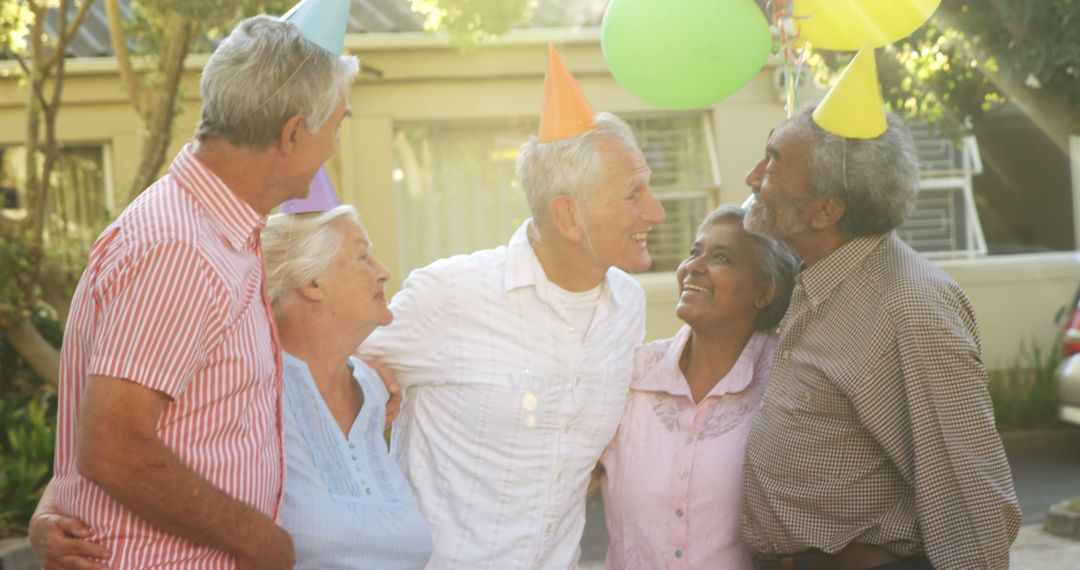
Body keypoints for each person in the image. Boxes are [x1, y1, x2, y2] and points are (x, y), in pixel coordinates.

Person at [29, 11, 359, 569]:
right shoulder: (180, 248)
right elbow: (112, 446)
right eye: (337, 125)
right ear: (293, 132)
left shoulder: (214, 231)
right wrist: (257, 537)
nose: (334, 145)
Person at [358, 46, 666, 568]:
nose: (655, 212)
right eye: (633, 194)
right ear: (568, 216)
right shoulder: (449, 294)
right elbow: (318, 390)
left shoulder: (627, 306)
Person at [739, 107, 1021, 570]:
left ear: (826, 210)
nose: (752, 177)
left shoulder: (910, 305)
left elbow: (973, 499)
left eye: (771, 165)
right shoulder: (817, 277)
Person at [597, 205, 797, 570]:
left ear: (765, 292)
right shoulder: (630, 376)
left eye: (721, 257)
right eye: (694, 252)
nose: (693, 266)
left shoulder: (787, 383)